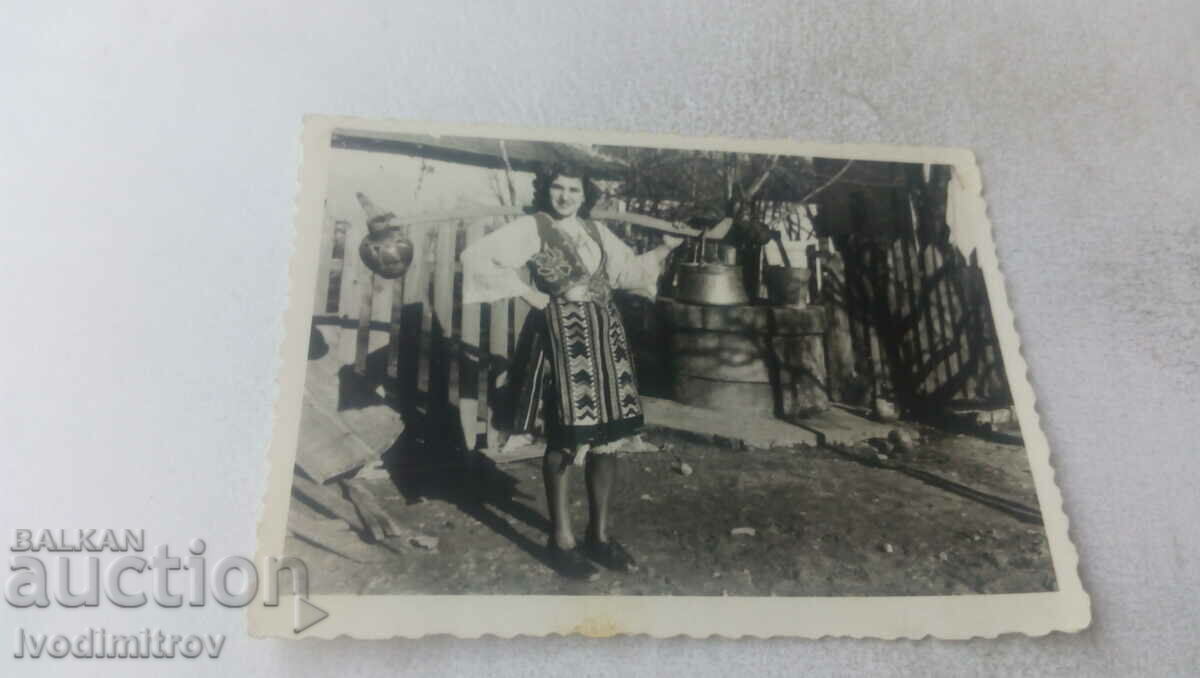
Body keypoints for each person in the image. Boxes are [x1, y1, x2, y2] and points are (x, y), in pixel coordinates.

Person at [461, 162, 682, 579]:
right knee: (566, 435)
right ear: (547, 190)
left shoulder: (596, 231)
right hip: (561, 338)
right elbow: (477, 259)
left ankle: (598, 537)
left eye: (573, 190)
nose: (565, 196)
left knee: (608, 437)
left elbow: (628, 273)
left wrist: (666, 247)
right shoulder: (532, 227)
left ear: (585, 195)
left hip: (605, 337)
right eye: (558, 188)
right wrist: (534, 296)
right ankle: (560, 540)